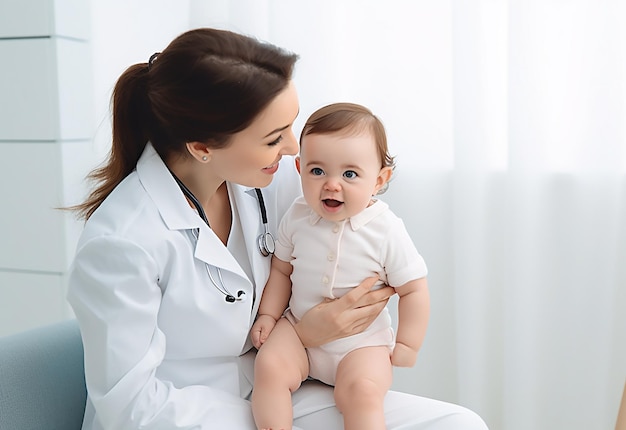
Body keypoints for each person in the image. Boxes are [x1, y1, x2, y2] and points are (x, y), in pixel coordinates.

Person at [66, 27, 489, 429]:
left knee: (459, 424)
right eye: (274, 137)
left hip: (278, 386)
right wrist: (303, 333)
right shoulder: (121, 241)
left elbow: (353, 230)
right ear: (202, 148)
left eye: (291, 126)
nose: (292, 150)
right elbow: (131, 408)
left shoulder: (274, 179)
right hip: (185, 413)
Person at [251, 103, 430, 430]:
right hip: (299, 332)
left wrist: (407, 343)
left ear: (379, 179)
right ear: (300, 167)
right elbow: (281, 271)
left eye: (349, 174)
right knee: (269, 367)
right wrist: (268, 316)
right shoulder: (298, 215)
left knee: (362, 394)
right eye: (317, 171)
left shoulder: (386, 229)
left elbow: (414, 289)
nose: (332, 184)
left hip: (362, 345)